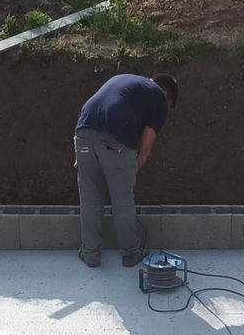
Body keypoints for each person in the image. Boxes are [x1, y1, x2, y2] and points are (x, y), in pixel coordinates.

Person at [73, 73, 177, 269]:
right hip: (116, 135)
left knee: (90, 195)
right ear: (167, 94)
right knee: (122, 198)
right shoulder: (159, 98)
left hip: (83, 130)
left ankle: (90, 253)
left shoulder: (126, 81)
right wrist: (128, 173)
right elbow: (144, 148)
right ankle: (131, 253)